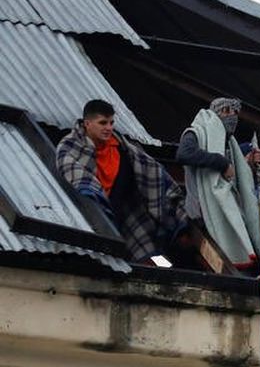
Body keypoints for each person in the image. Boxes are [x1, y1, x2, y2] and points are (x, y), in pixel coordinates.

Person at [56, 99, 188, 261]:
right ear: (87, 123)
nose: (108, 128)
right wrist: (93, 199)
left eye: (111, 123)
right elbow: (78, 180)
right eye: (103, 123)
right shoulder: (70, 147)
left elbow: (153, 172)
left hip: (123, 218)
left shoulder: (122, 148)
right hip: (90, 219)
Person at [176, 97, 260, 276]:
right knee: (235, 272)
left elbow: (234, 182)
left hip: (229, 213)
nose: (232, 116)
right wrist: (222, 163)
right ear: (215, 114)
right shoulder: (197, 132)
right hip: (203, 215)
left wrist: (248, 165)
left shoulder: (230, 146)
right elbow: (184, 154)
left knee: (255, 259)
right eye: (226, 111)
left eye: (235, 113)